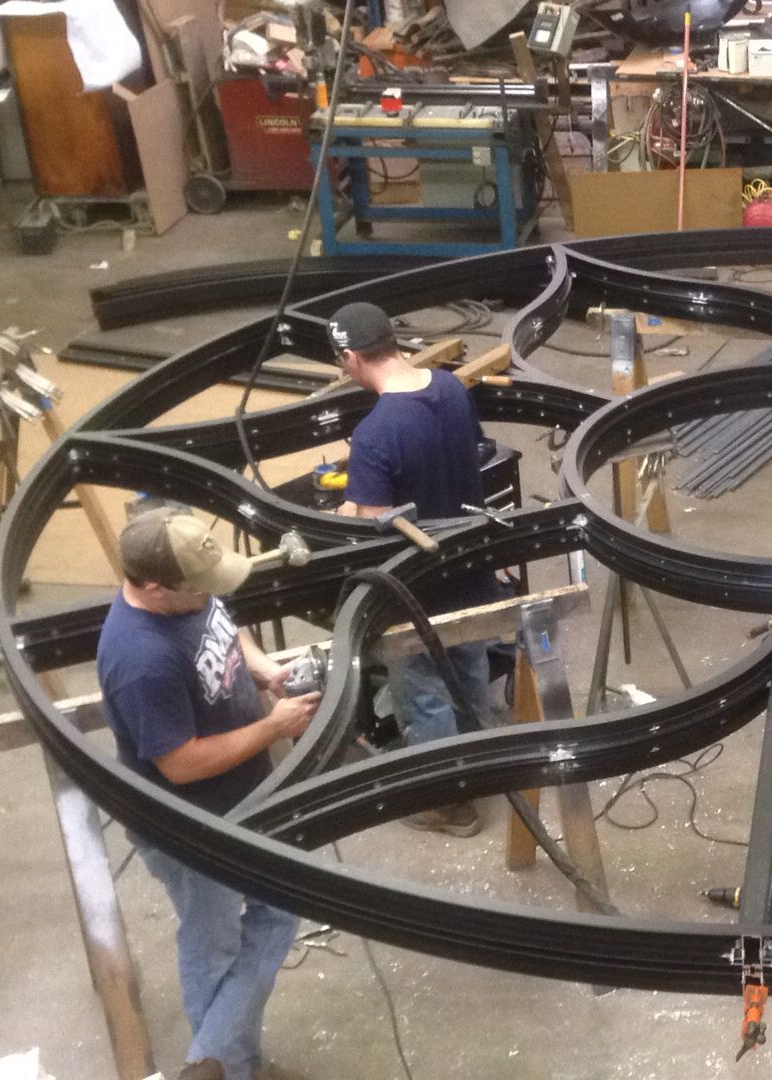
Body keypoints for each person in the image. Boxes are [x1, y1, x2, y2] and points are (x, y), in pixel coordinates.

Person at [97, 507, 320, 1080]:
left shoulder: (187, 588)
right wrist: (274, 727)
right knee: (214, 945)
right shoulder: (138, 660)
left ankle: (217, 1059)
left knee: (280, 909)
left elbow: (222, 624)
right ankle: (218, 1066)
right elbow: (181, 764)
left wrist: (265, 670)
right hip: (189, 828)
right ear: (152, 586)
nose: (207, 595)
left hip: (245, 799)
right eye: (196, 588)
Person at [331, 300, 514, 837]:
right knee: (470, 674)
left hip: (418, 596)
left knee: (426, 692)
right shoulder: (452, 389)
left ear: (351, 357)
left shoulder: (374, 434)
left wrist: (351, 506)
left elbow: (372, 524)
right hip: (471, 573)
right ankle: (480, 771)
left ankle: (446, 804)